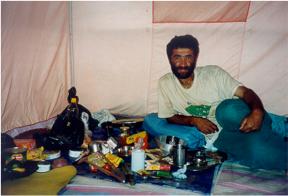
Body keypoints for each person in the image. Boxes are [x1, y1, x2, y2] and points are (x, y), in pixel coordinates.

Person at [143, 34, 288, 170]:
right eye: (177, 57)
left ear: (196, 57)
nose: (183, 63)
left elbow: (245, 92)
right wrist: (193, 120)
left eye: (188, 57)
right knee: (259, 155)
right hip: (219, 137)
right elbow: (168, 116)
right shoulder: (165, 83)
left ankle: (277, 125)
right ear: (169, 58)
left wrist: (257, 111)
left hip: (237, 118)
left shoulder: (213, 74)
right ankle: (273, 135)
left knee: (226, 110)